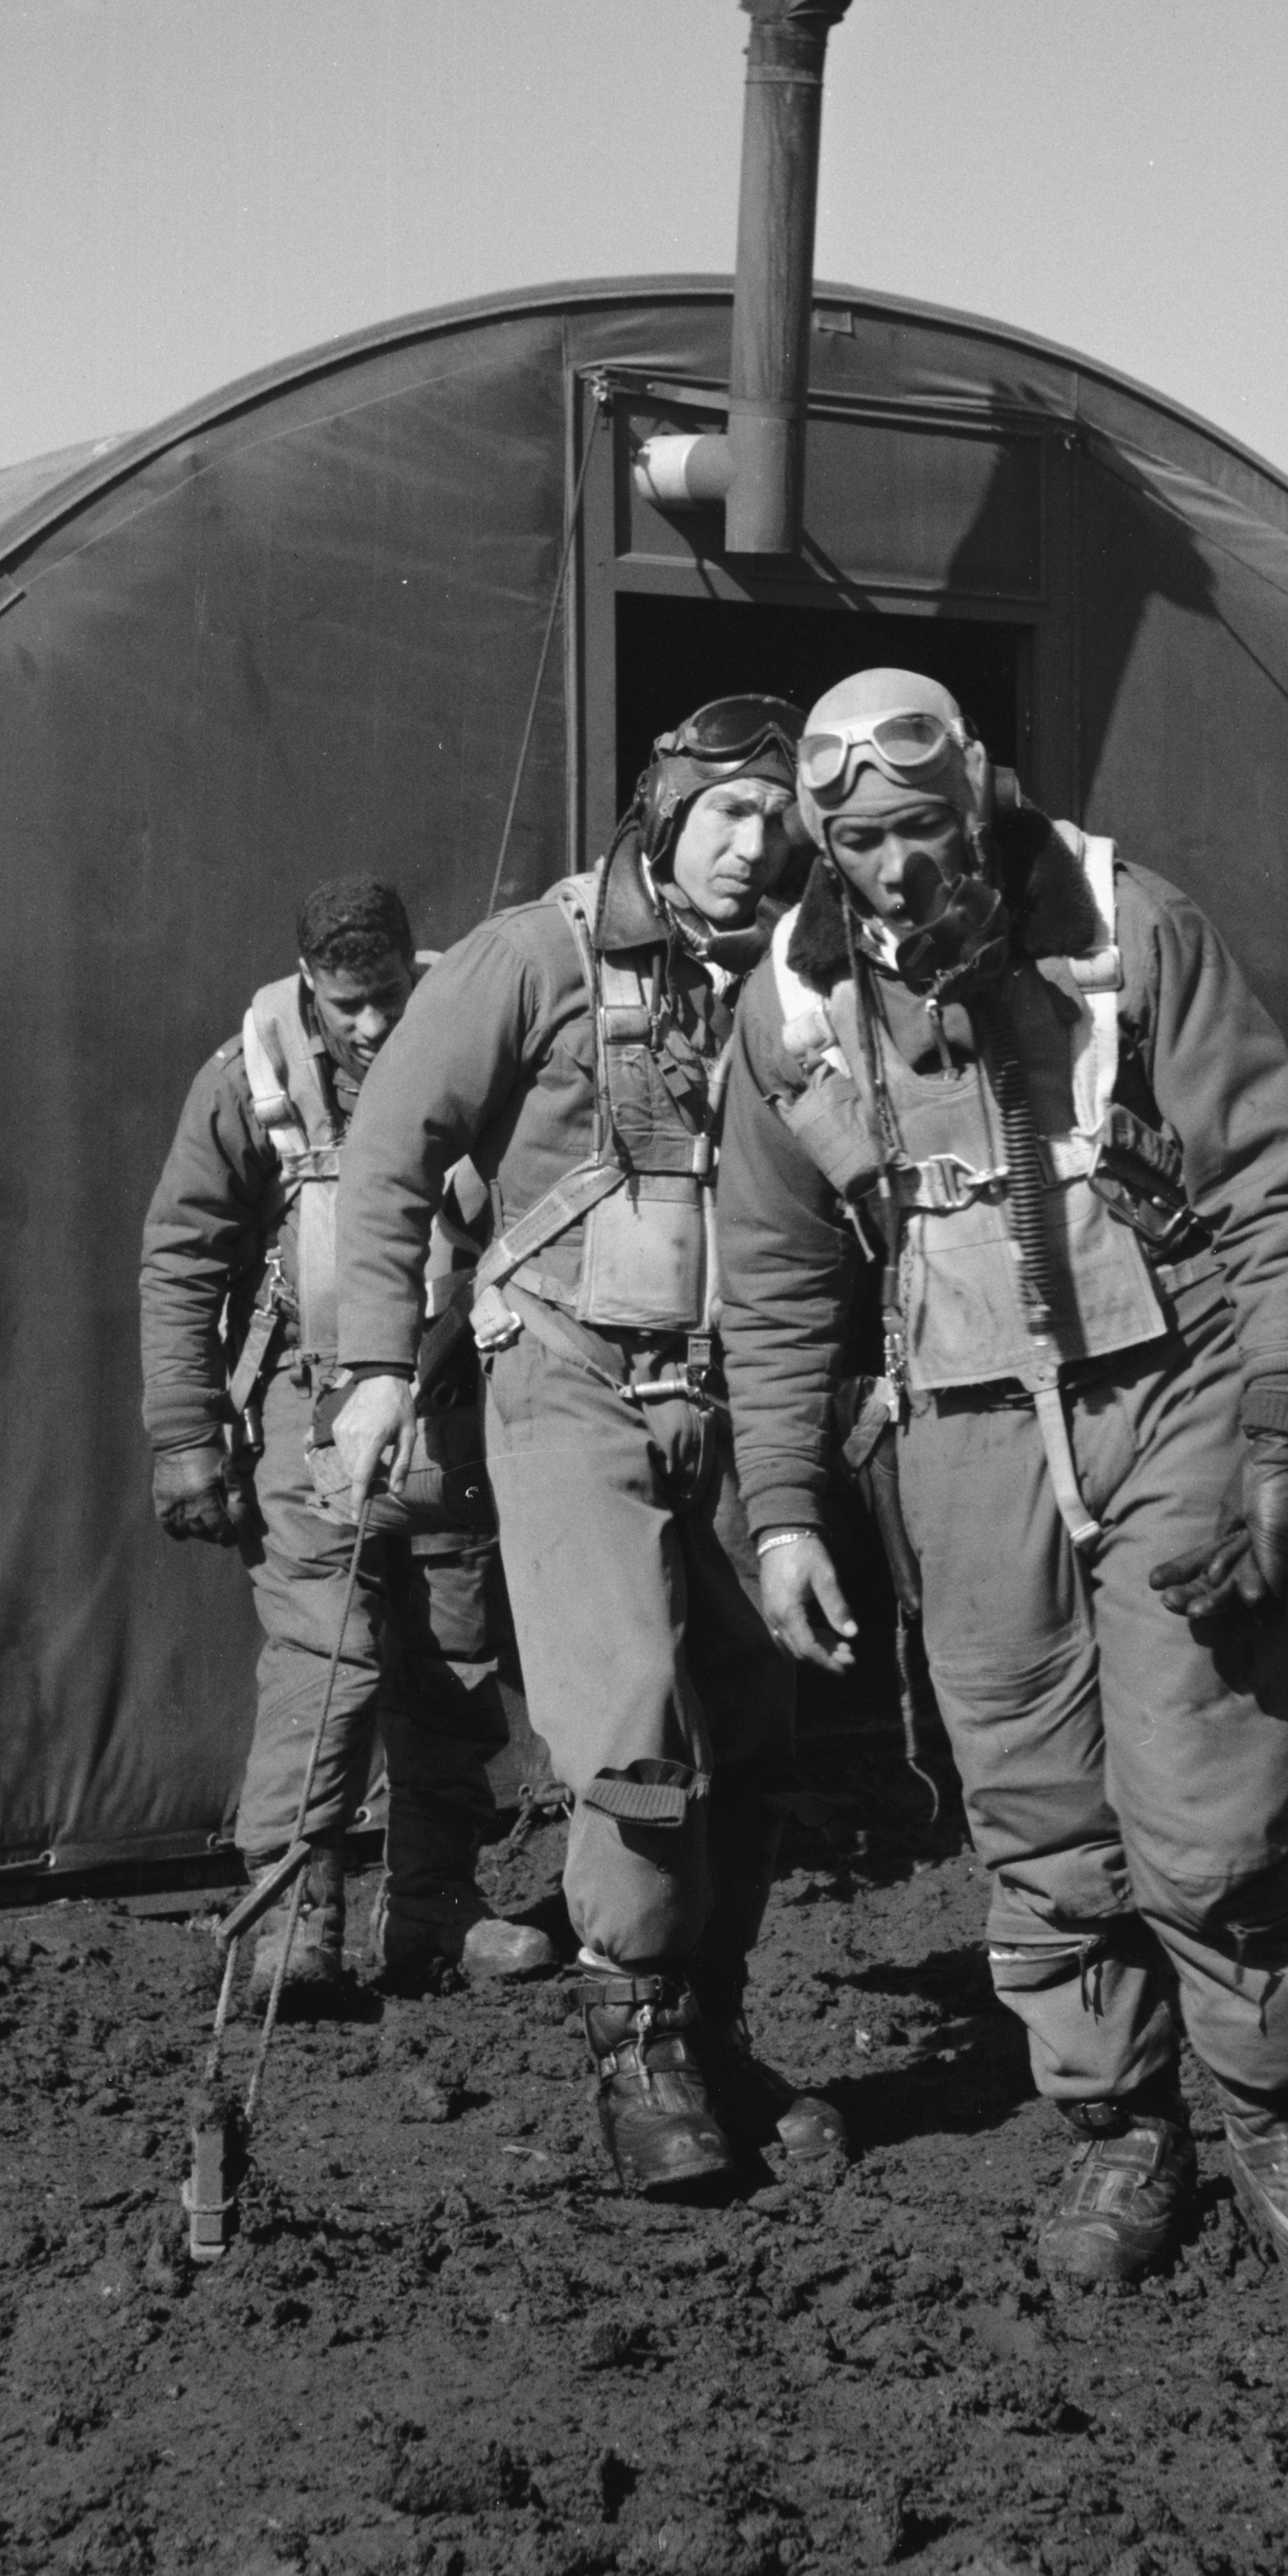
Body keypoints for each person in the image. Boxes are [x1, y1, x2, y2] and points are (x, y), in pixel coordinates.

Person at [724, 668, 1288, 2318]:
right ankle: (1120, 2122)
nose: (895, 870)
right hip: (956, 1431)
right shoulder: (793, 1010)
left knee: (1203, 1795)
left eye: (922, 828)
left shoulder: (1121, 928)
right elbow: (772, 1275)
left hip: (1165, 1393)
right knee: (1030, 1803)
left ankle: (1285, 2119)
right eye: (860, 839)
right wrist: (787, 1506)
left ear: (978, 799)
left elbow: (1268, 1178)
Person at [324, 699, 844, 2200]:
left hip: (746, 1392)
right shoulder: (529, 954)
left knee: (751, 1726)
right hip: (565, 1375)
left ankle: (712, 2030)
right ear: (660, 809)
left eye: (778, 820)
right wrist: (369, 1371)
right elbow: (389, 1150)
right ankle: (635, 2045)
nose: (757, 849)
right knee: (628, 1713)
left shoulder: (807, 976)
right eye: (726, 814)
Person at [138, 875, 551, 2000]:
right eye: (345, 1003)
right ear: (310, 989)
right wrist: (186, 1434)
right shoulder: (247, 1084)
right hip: (305, 1406)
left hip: (454, 1393)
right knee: (327, 1656)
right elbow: (182, 1255)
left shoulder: (485, 1044)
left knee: (453, 1658)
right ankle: (288, 1917)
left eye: (386, 999)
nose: (371, 1026)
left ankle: (436, 1907)